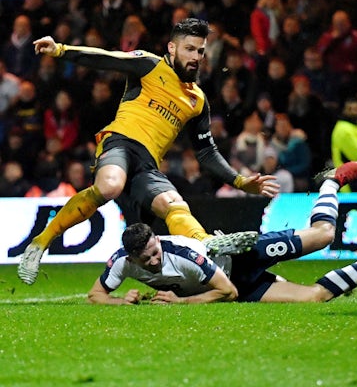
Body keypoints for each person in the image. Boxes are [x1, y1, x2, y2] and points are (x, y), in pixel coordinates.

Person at [18, 18, 280, 285]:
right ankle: (39, 243)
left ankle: (209, 244)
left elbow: (206, 152)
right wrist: (61, 49)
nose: (196, 57)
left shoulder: (197, 100)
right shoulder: (149, 65)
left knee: (174, 205)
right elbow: (107, 59)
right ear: (172, 48)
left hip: (147, 166)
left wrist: (239, 181)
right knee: (110, 186)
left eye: (201, 51)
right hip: (120, 142)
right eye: (189, 49)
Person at [87, 162, 357, 304]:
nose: (153, 261)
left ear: (158, 240)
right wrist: (119, 301)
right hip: (237, 283)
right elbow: (96, 294)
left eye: (155, 253)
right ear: (131, 258)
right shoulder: (121, 262)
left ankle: (330, 182)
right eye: (146, 259)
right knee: (315, 297)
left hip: (241, 257)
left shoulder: (182, 255)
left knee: (324, 234)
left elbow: (228, 291)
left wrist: (181, 302)